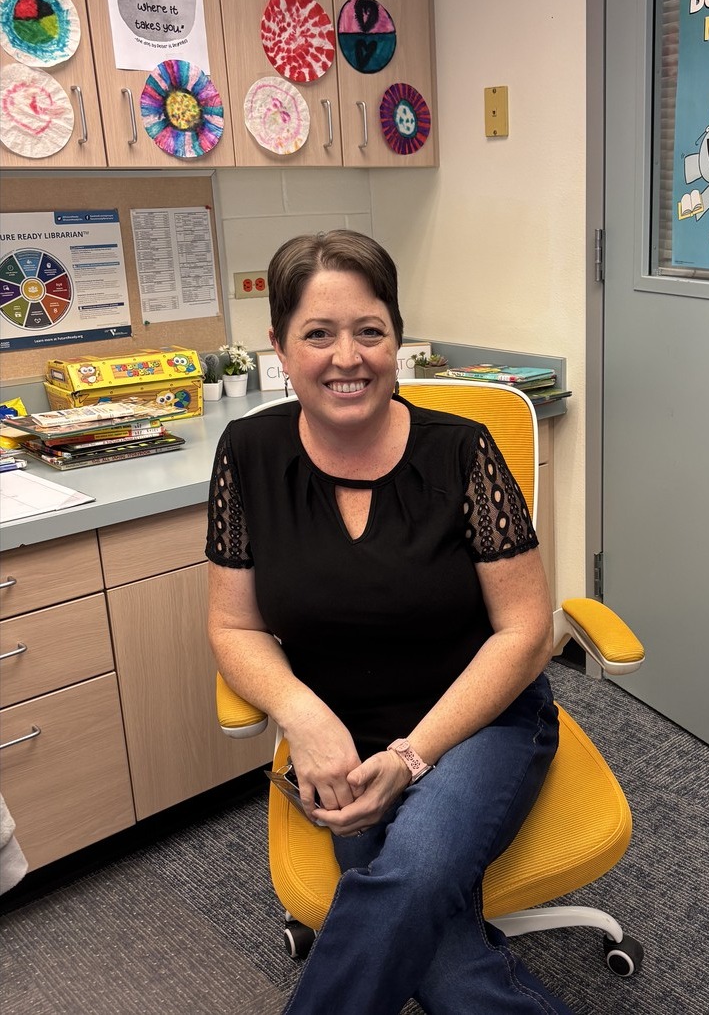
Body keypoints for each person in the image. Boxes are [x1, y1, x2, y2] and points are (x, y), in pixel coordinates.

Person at [205, 229, 573, 1015]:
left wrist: (411, 757)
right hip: (342, 745)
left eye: (369, 331)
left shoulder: (462, 453)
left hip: (479, 725)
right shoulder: (247, 452)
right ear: (279, 346)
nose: (348, 357)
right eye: (318, 334)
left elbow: (525, 632)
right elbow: (234, 627)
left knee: (410, 874)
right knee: (441, 961)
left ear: (397, 338)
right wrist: (303, 716)